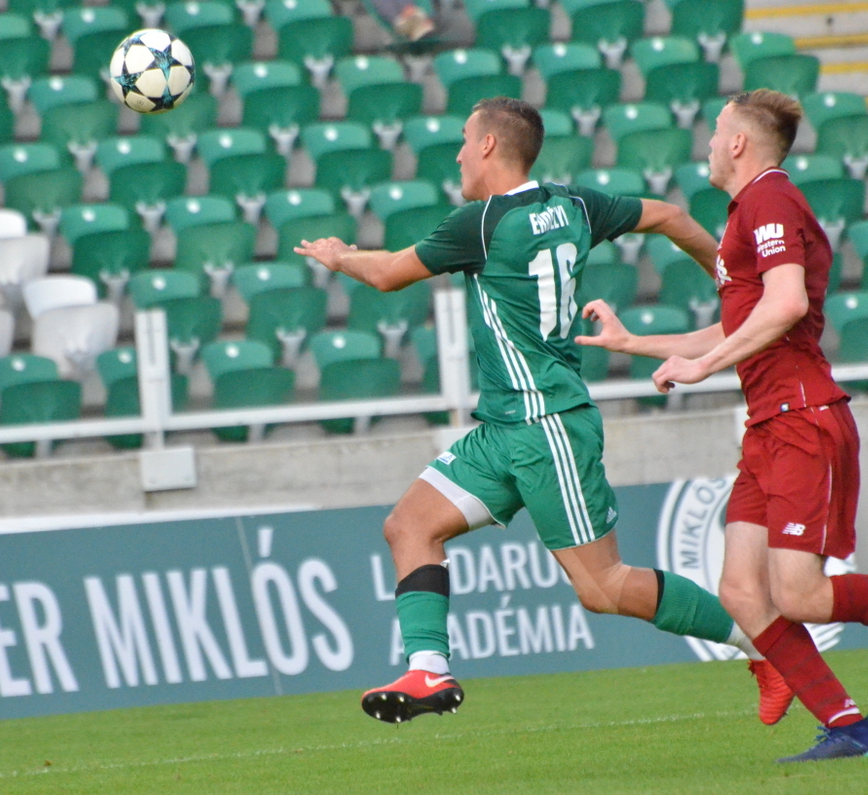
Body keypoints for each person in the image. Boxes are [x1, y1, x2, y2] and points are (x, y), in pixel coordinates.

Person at [295, 96, 793, 726]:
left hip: (546, 425)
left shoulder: (481, 223)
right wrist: (728, 280)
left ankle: (768, 648)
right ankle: (428, 671)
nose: (455, 153)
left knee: (604, 588)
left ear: (487, 147)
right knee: (409, 526)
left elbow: (391, 273)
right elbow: (668, 215)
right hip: (505, 426)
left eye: (463, 139)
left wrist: (340, 257)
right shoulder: (575, 204)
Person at [577, 88, 868, 762]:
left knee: (799, 593)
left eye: (714, 128)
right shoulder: (744, 212)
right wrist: (635, 342)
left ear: (738, 143)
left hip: (803, 420)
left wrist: (705, 368)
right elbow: (740, 323)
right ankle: (847, 724)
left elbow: (784, 304)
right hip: (769, 427)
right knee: (740, 590)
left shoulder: (770, 198)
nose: (705, 140)